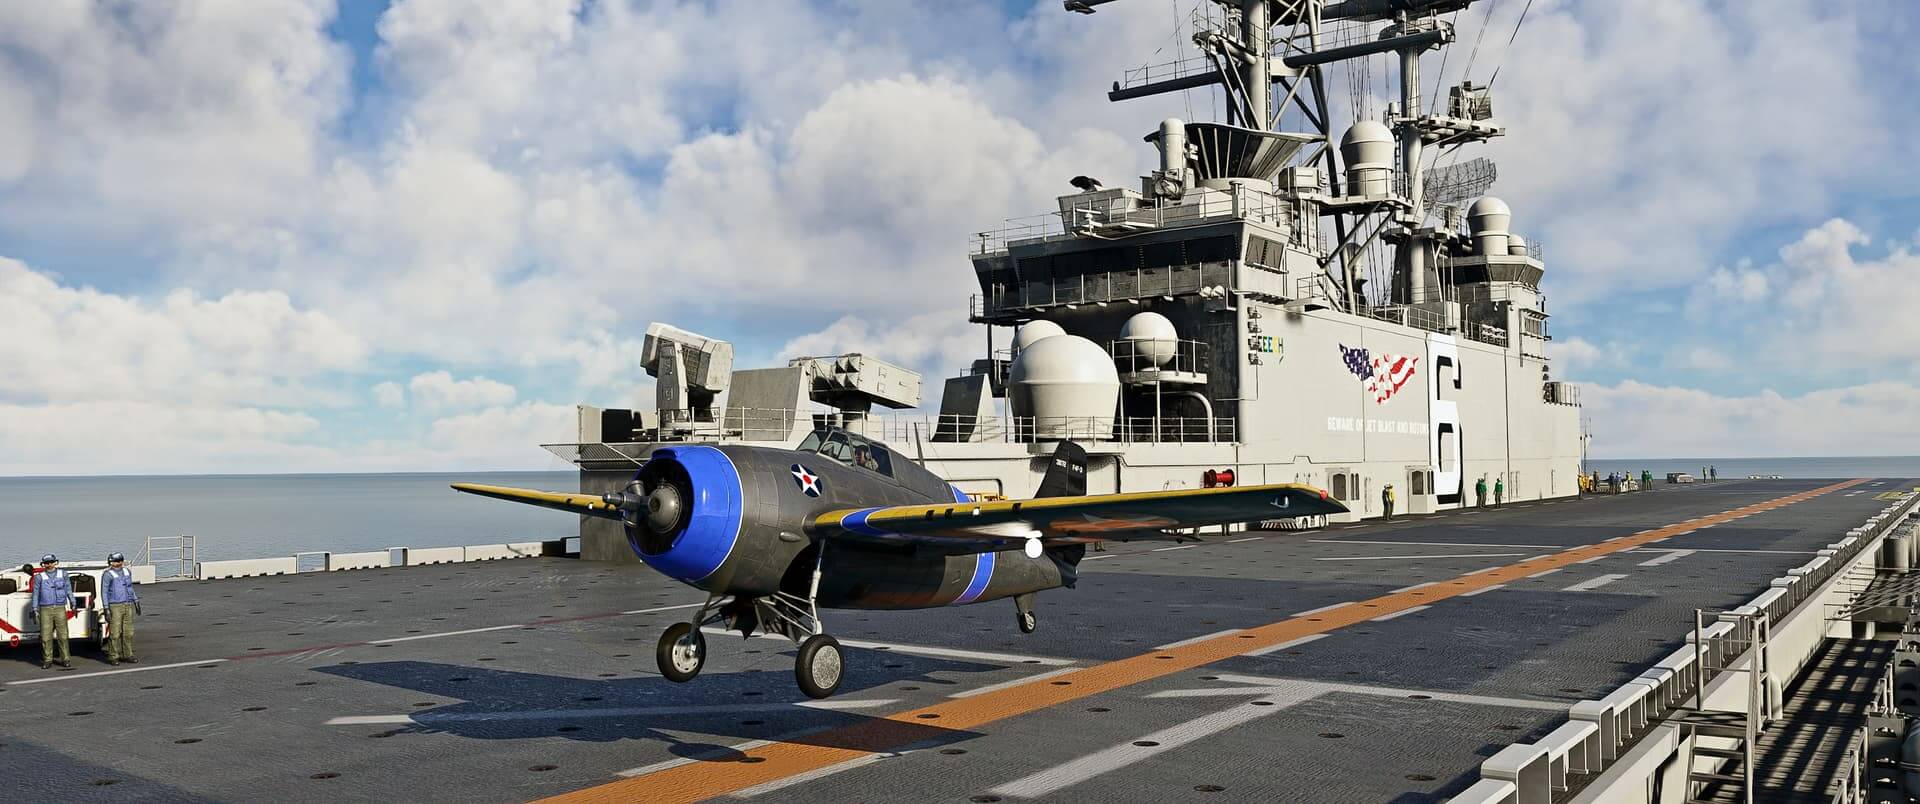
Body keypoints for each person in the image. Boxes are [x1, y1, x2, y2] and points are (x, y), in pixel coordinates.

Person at [28, 554, 73, 670]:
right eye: (46, 563)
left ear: (55, 563)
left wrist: (73, 601)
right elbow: (36, 594)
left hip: (60, 608)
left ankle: (66, 658)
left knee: (63, 635)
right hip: (45, 609)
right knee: (45, 636)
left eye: (51, 562)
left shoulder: (63, 574)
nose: (49, 565)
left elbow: (68, 589)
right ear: (43, 564)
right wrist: (34, 608)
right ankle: (47, 659)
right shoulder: (39, 577)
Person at [101, 552, 140, 666]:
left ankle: (127, 655)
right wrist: (106, 608)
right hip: (115, 606)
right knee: (115, 633)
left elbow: (130, 587)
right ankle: (113, 656)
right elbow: (104, 592)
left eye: (114, 561)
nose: (112, 563)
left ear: (120, 562)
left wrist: (136, 600)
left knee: (128, 632)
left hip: (127, 604)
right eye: (111, 562)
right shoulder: (108, 574)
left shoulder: (127, 572)